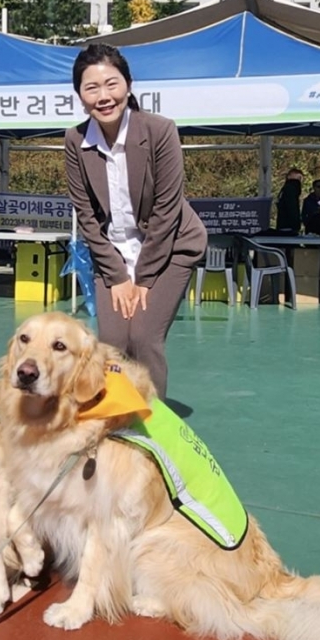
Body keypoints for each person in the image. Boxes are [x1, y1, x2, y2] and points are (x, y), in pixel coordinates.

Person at [64, 43, 207, 399]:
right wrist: (117, 276)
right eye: (91, 88)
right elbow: (87, 216)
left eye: (112, 84)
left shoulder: (160, 131)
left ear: (128, 84)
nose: (103, 96)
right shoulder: (74, 140)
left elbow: (167, 210)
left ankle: (153, 427)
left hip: (170, 247)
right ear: (80, 95)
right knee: (112, 341)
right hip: (112, 253)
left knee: (143, 338)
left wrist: (142, 278)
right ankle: (116, 420)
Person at [275, 168, 304, 234]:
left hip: (282, 224)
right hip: (289, 226)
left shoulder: (284, 189)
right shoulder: (291, 190)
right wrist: (296, 224)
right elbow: (292, 208)